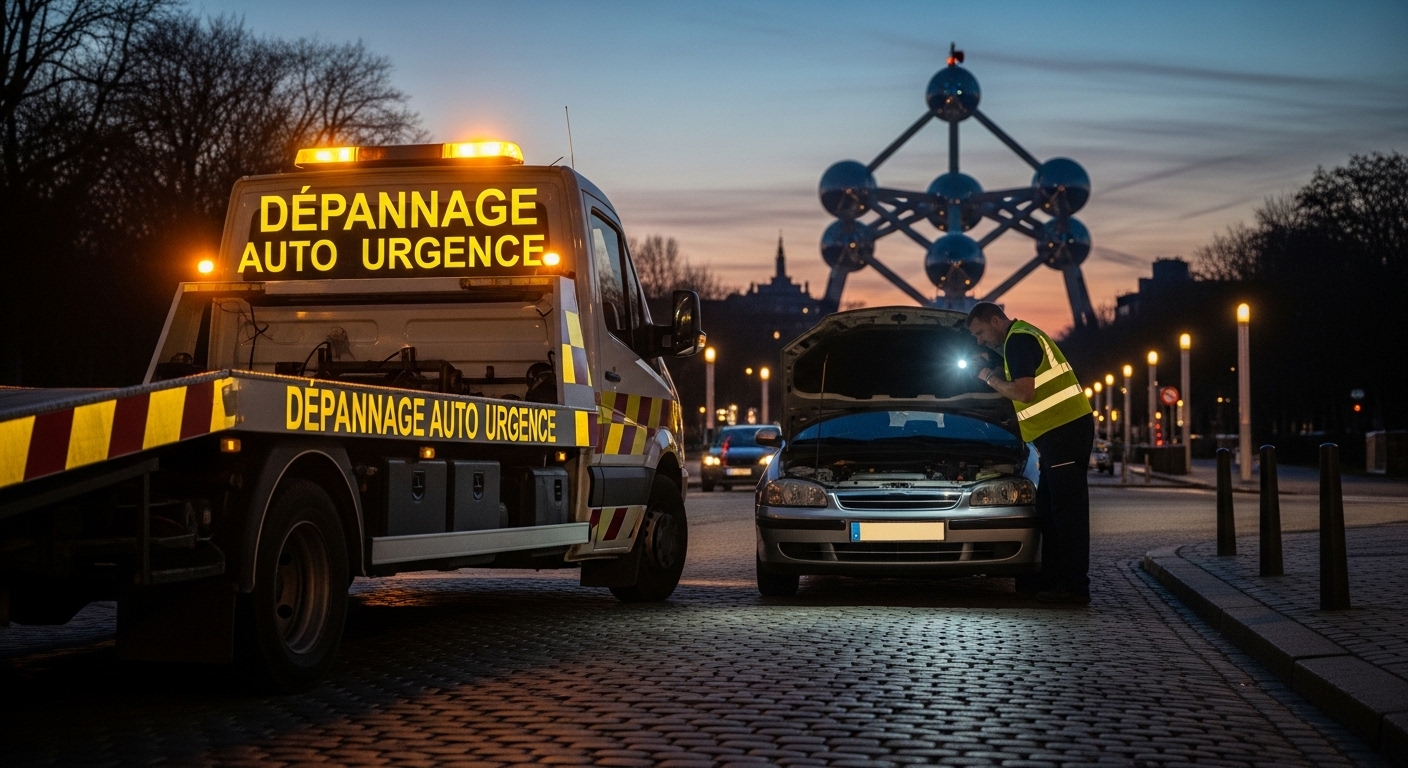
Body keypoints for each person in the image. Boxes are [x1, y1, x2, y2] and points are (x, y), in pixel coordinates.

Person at [966, 302, 1094, 604]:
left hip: (1064, 432)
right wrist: (993, 363)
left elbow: (1024, 392)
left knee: (1068, 514)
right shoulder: (1019, 339)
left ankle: (1075, 587)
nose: (979, 340)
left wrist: (987, 376)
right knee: (1050, 511)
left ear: (996, 320)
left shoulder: (1019, 341)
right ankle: (1050, 580)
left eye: (980, 333)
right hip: (1059, 434)